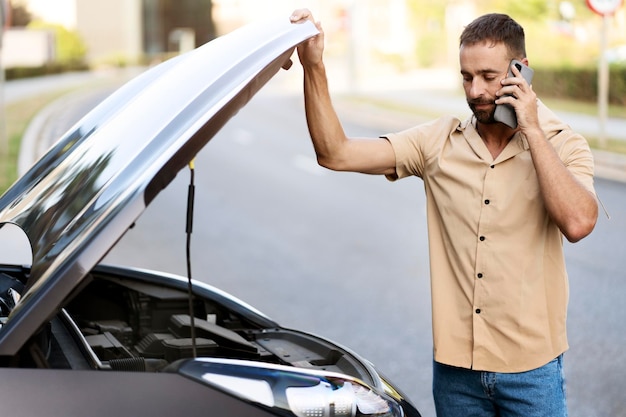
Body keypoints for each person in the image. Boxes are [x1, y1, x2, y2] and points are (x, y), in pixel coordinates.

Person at [290, 9, 598, 417]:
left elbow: (578, 223)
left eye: (489, 77)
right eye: (466, 78)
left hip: (532, 374)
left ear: (520, 72)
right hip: (456, 376)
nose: (475, 91)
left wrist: (533, 131)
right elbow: (335, 153)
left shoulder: (562, 143)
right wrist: (314, 65)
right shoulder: (437, 142)